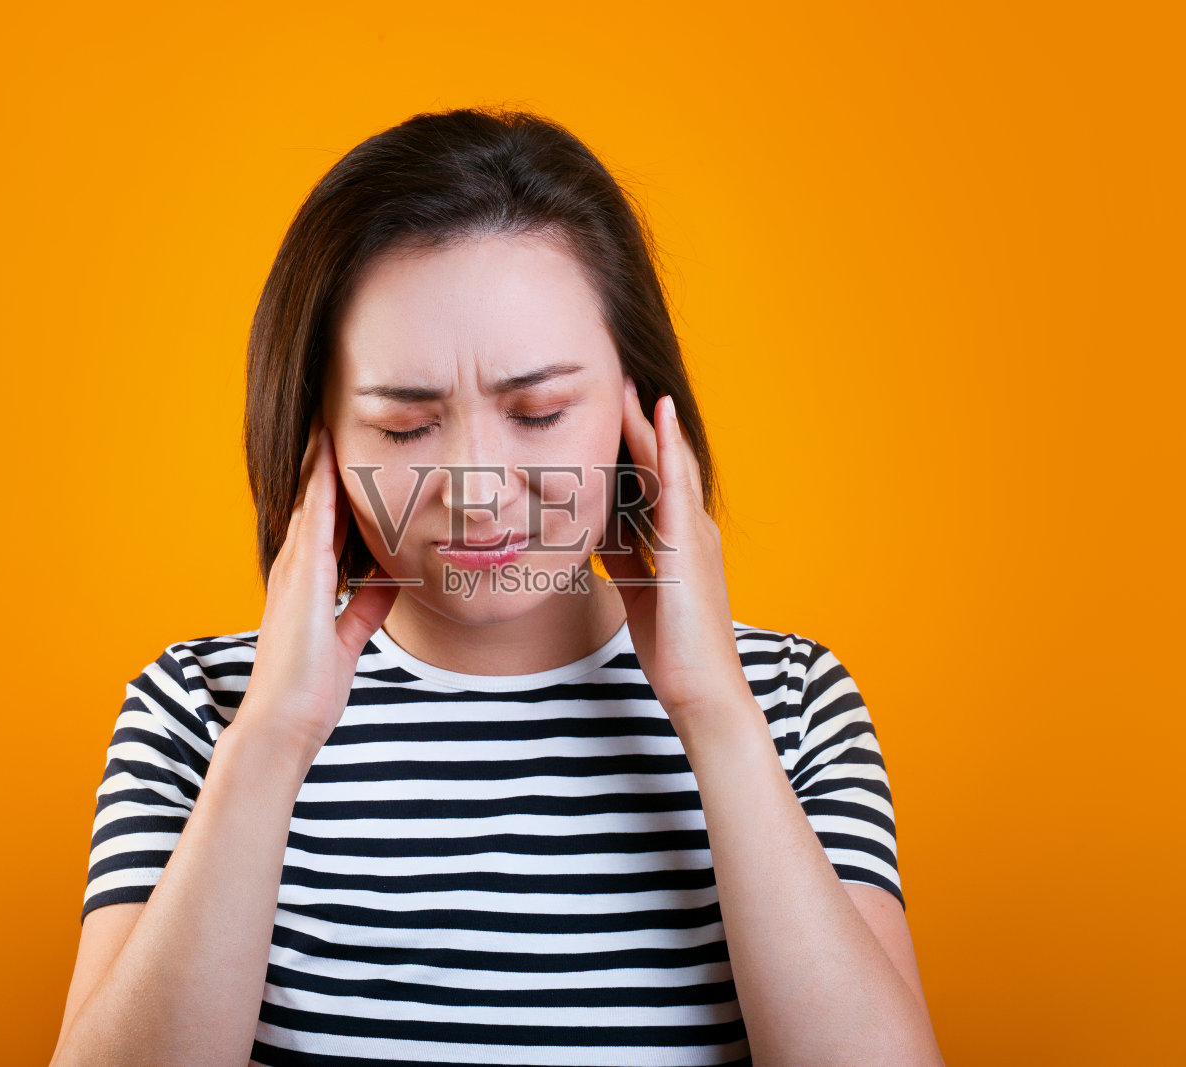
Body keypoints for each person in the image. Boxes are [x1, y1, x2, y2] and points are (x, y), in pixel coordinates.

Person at [50, 107, 945, 1067]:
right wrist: (273, 737)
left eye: (541, 412)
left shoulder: (794, 705)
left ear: (642, 414)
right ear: (318, 440)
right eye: (404, 427)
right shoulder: (198, 710)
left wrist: (714, 710)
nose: (479, 491)